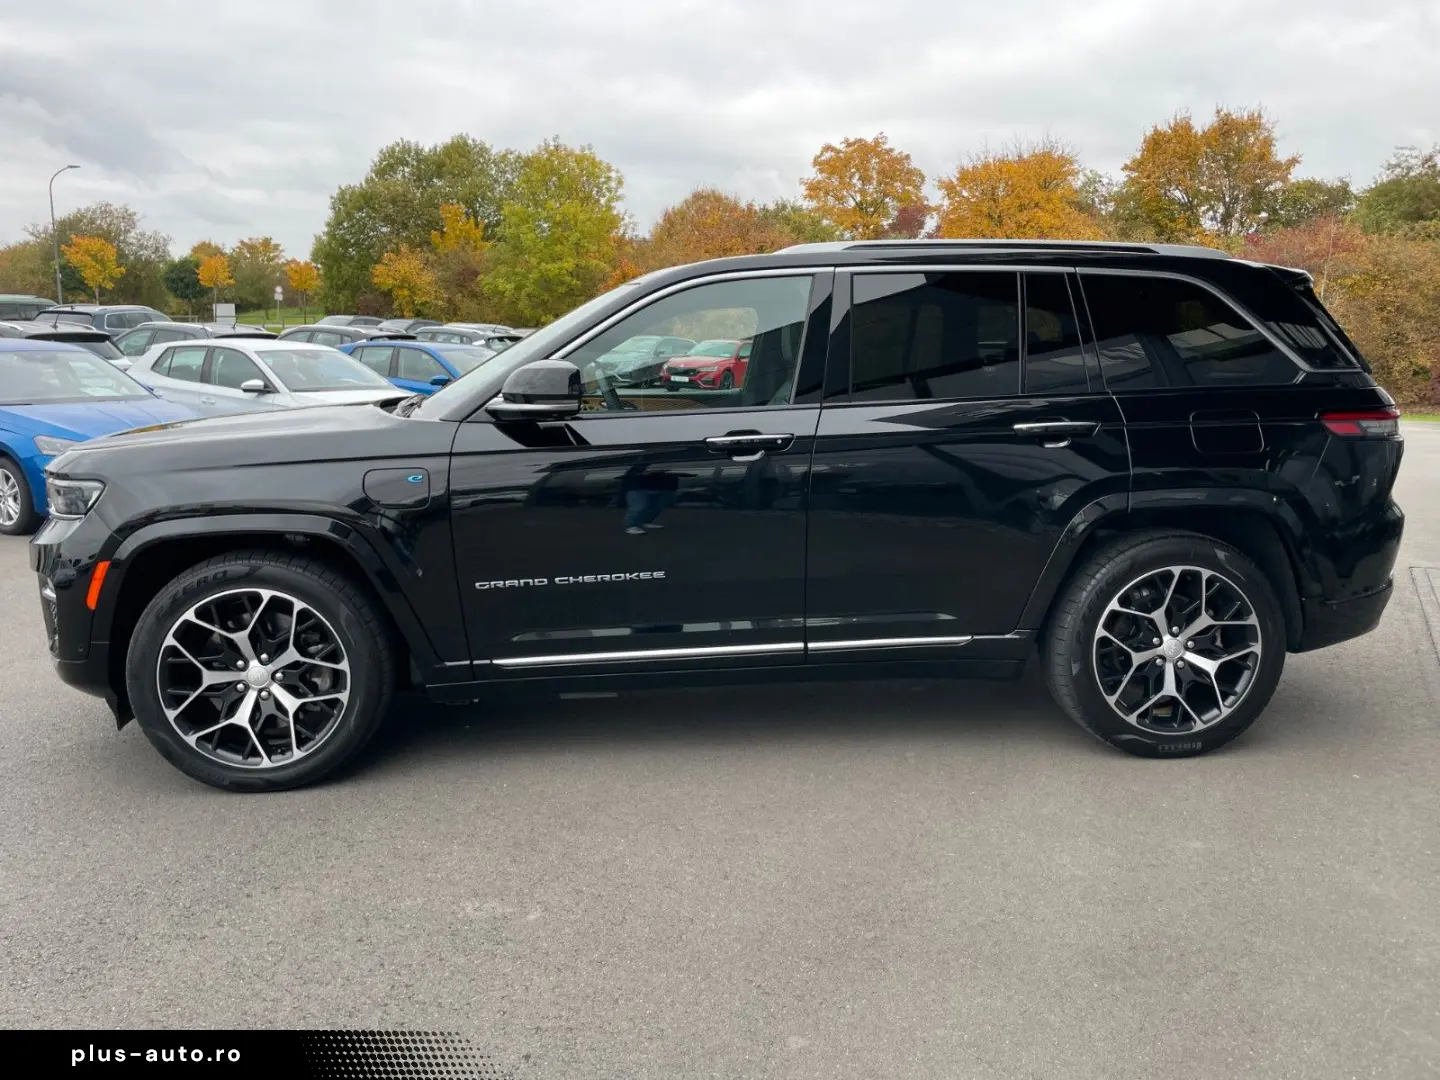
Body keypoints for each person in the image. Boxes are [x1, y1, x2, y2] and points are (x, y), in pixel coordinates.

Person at [617, 462, 678, 535]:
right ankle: (632, 526)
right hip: (639, 486)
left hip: (662, 486)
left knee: (657, 506)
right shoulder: (644, 461)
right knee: (639, 507)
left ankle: (645, 522)